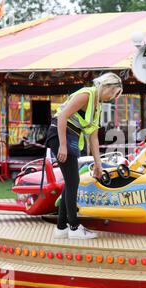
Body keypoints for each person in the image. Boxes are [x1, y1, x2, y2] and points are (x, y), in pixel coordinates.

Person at [46, 72, 123, 240]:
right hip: (61, 134)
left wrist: (98, 165)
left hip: (72, 136)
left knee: (71, 181)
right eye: (114, 93)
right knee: (73, 181)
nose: (113, 97)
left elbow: (93, 138)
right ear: (107, 86)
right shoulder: (86, 95)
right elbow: (62, 116)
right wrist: (63, 145)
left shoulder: (97, 105)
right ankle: (73, 227)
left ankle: (61, 227)